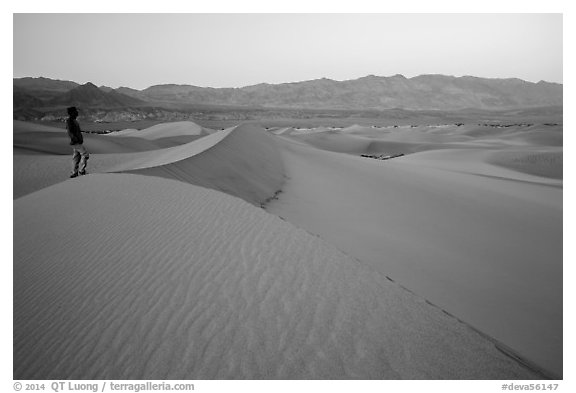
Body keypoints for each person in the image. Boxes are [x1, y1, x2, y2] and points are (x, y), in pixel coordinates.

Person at [65, 106, 89, 178]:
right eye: (75, 111)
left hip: (77, 142)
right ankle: (81, 171)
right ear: (72, 113)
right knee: (85, 154)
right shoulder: (70, 121)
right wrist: (75, 139)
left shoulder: (73, 120)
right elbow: (70, 132)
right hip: (76, 142)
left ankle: (74, 172)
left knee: (76, 157)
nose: (77, 112)